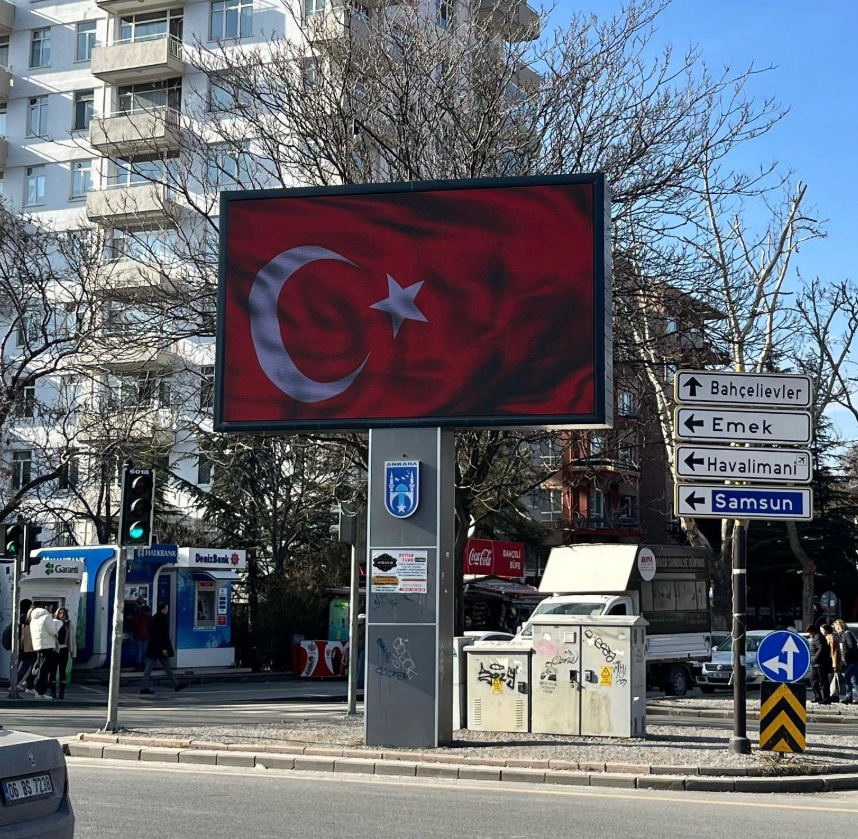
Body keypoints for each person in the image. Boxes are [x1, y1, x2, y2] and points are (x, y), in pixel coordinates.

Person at [140, 603, 186, 695]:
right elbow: (164, 634)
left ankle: (144, 687)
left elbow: (153, 633)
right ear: (163, 609)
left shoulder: (153, 618)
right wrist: (164, 648)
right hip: (160, 648)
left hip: (152, 646)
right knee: (166, 667)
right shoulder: (163, 618)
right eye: (166, 608)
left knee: (149, 668)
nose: (167, 610)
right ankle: (176, 684)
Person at [29, 606, 62, 699]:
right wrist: (59, 623)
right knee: (45, 670)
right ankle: (40, 692)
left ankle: (33, 686)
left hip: (38, 645)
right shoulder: (47, 617)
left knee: (40, 667)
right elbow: (53, 631)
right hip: (47, 646)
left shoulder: (33, 619)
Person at [51, 608, 76, 700]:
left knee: (62, 670)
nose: (62, 615)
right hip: (55, 649)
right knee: (53, 670)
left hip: (64, 649)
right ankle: (53, 692)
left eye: (64, 613)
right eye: (60, 613)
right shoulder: (54, 623)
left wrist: (73, 653)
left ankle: (62, 693)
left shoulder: (69, 625)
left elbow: (72, 639)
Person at [807, 624, 832, 704]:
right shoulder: (816, 636)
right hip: (816, 664)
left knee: (823, 681)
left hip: (820, 663)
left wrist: (815, 658)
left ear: (812, 631)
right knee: (813, 680)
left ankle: (826, 698)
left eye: (809, 632)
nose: (808, 634)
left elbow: (821, 648)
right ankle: (818, 696)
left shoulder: (818, 636)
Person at [835, 619, 858, 704]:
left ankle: (849, 697)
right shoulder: (843, 635)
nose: (836, 628)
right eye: (835, 627)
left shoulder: (847, 633)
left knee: (847, 677)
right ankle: (850, 697)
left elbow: (851, 646)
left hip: (853, 661)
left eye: (837, 626)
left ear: (841, 626)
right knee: (854, 680)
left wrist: (847, 655)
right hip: (850, 661)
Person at [16, 600, 35, 690]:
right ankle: (16, 682)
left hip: (18, 644)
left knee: (16, 663)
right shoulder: (24, 618)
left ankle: (14, 682)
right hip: (23, 645)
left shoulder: (18, 616)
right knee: (27, 663)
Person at [823, 623, 844, 703]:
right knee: (831, 679)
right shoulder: (828, 637)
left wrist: (834, 665)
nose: (821, 632)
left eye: (822, 630)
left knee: (832, 679)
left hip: (831, 663)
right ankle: (833, 695)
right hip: (829, 662)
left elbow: (834, 652)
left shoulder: (831, 638)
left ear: (826, 631)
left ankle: (834, 696)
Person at [131, 600, 151, 672]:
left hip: (138, 635)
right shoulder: (148, 617)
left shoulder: (138, 616)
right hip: (146, 636)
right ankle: (144, 666)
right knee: (144, 652)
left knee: (139, 652)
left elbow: (134, 624)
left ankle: (138, 666)